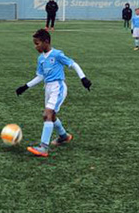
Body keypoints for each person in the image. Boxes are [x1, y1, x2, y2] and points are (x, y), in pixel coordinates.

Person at [16, 29, 92, 157]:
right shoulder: (41, 58)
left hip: (58, 87)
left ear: (46, 42)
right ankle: (63, 136)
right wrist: (25, 86)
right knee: (52, 116)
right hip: (48, 88)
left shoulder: (57, 54)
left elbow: (73, 64)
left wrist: (83, 78)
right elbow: (40, 76)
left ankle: (43, 147)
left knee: (47, 114)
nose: (36, 47)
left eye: (37, 43)